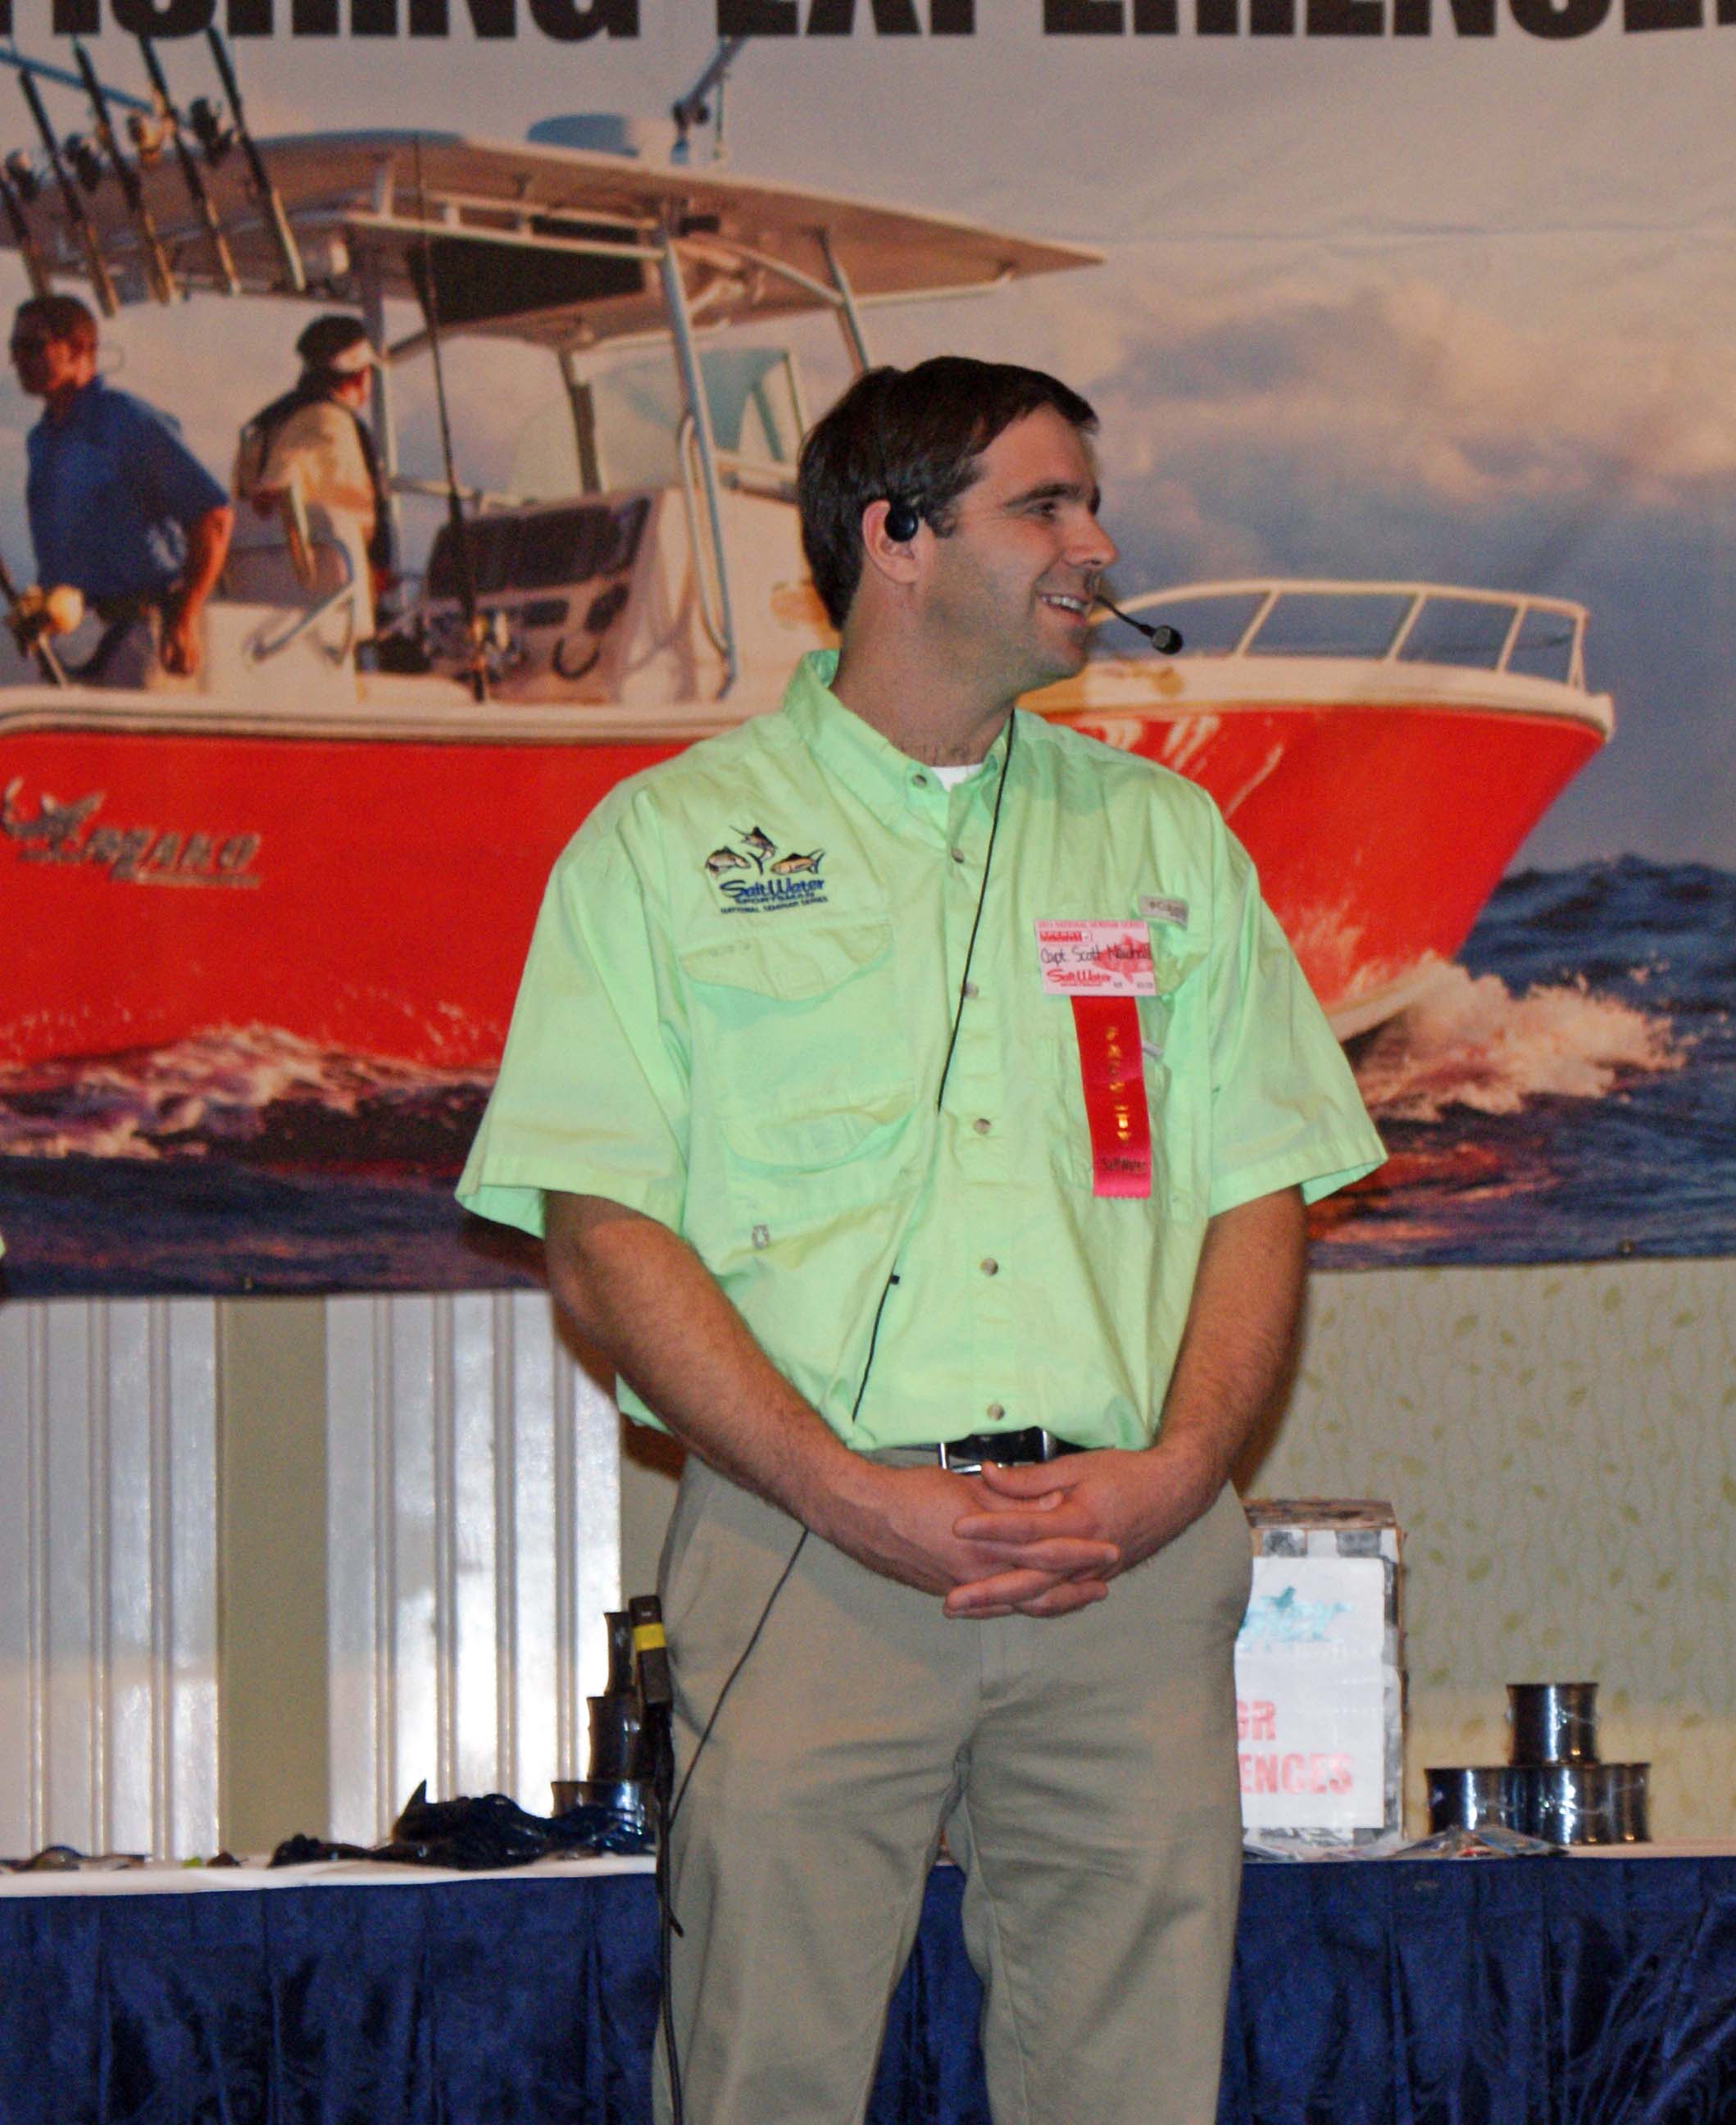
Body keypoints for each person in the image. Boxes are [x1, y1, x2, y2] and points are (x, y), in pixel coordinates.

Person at [455, 356, 1385, 2125]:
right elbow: (603, 1233)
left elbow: (1261, 1189)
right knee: (764, 2082)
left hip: (1122, 1560)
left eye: (1089, 503)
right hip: (815, 1558)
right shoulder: (665, 849)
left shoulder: (1166, 838)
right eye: (1047, 504)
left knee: (1131, 2087)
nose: (1094, 543)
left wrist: (1184, 1470)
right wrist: (839, 1489)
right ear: (894, 537)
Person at [11, 293, 230, 687]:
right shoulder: (41, 440)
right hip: (71, 640)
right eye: (14, 349)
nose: (18, 361)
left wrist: (183, 618)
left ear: (79, 348)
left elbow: (212, 516)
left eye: (32, 347)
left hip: (139, 636)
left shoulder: (127, 422)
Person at [232, 313, 393, 603]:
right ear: (360, 375)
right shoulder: (329, 423)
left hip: (254, 595)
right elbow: (289, 472)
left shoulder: (261, 428)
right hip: (323, 598)